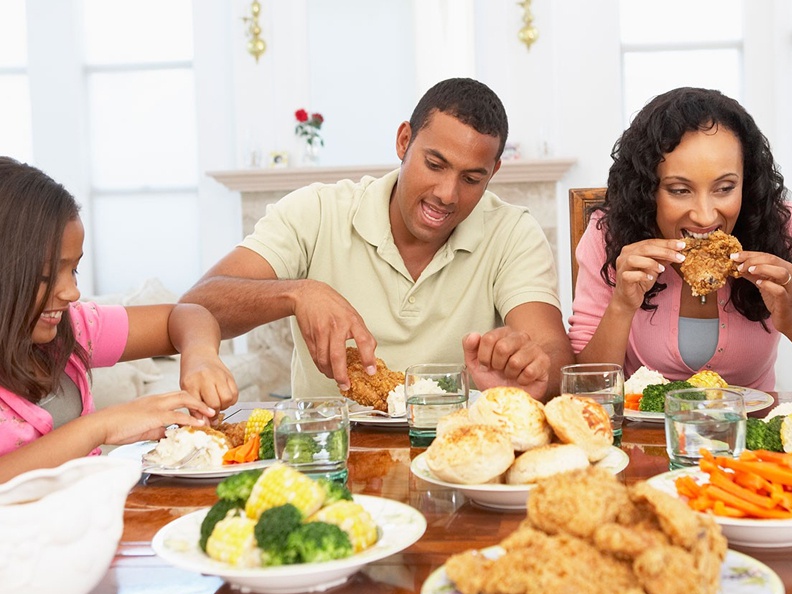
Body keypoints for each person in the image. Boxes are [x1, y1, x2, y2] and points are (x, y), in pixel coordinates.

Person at [181, 78, 572, 401]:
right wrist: (297, 294)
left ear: (494, 172)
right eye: (434, 165)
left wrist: (531, 370)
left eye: (471, 179)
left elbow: (554, 354)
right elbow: (197, 304)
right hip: (330, 453)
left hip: (457, 447)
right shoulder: (316, 211)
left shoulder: (513, 231)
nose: (447, 194)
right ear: (404, 141)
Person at [568, 87, 792, 391]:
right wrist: (621, 306)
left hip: (755, 422)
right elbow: (584, 390)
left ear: (746, 183)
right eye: (679, 190)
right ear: (647, 190)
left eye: (725, 188)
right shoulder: (609, 234)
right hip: (642, 423)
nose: (704, 216)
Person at [0, 157, 238, 482]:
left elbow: (185, 315)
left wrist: (201, 356)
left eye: (73, 270)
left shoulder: (71, 328)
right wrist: (103, 426)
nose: (72, 292)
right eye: (46, 275)